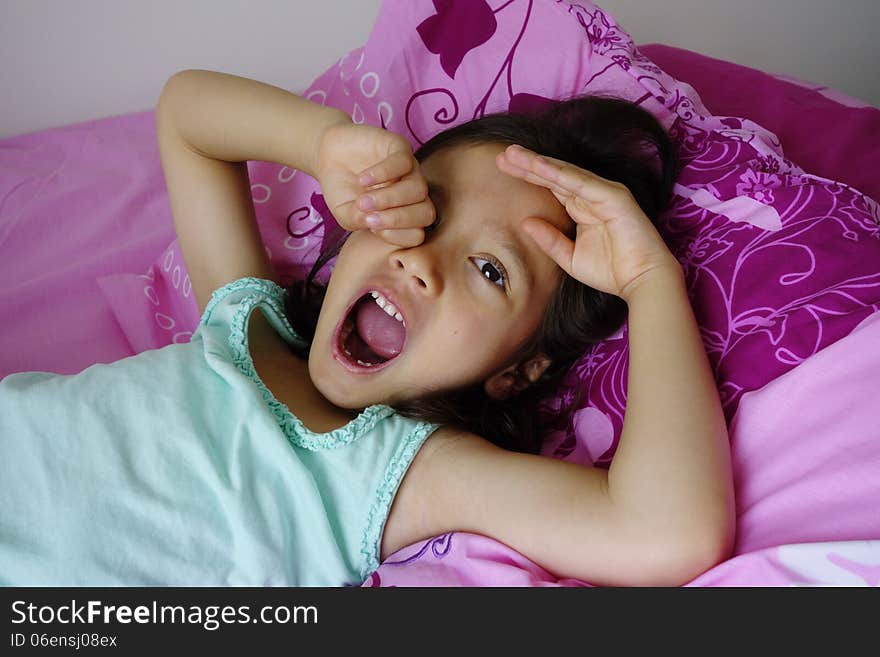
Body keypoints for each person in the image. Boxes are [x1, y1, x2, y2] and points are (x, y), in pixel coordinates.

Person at [0, 70, 734, 587]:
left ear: (517, 371)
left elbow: (662, 534)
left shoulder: (407, 472)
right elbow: (187, 116)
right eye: (426, 210)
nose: (422, 261)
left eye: (490, 271)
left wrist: (651, 285)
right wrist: (324, 144)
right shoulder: (241, 322)